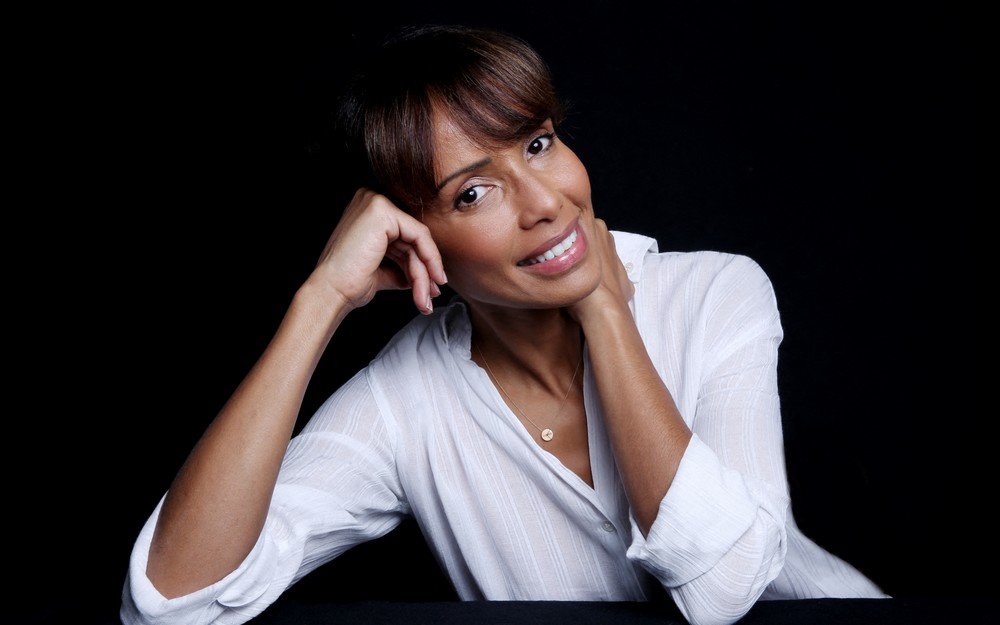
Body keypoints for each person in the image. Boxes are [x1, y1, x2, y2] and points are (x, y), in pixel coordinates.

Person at [121, 23, 888, 625]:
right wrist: (320, 299)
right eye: (473, 192)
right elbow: (171, 602)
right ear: (412, 238)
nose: (546, 201)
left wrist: (603, 308)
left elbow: (726, 587)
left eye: (539, 144)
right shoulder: (407, 398)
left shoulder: (716, 291)